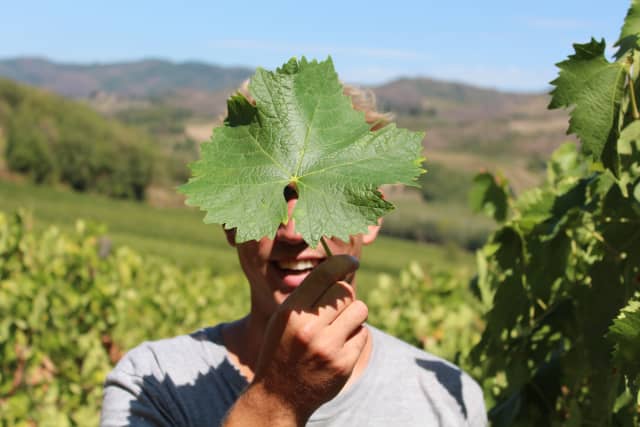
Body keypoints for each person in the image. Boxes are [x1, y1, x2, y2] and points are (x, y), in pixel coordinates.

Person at [100, 83, 487, 427]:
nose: (294, 231)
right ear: (229, 222)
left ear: (372, 215)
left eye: (324, 193)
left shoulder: (447, 398)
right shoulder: (152, 384)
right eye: (270, 195)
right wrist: (279, 397)